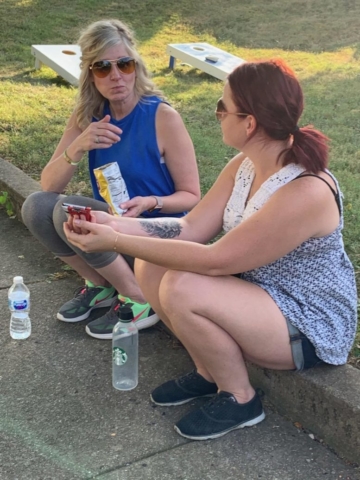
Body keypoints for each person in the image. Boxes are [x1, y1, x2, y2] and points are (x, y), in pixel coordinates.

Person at [64, 59, 357, 440]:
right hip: (257, 296)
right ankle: (209, 372)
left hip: (307, 322)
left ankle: (240, 398)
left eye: (222, 107)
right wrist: (111, 224)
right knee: (150, 267)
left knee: (182, 286)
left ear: (249, 123)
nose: (217, 113)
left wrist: (116, 242)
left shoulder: (306, 191)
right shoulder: (246, 164)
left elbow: (217, 261)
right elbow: (189, 227)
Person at [21, 19, 200, 340]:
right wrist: (77, 146)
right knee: (37, 206)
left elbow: (191, 196)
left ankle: (139, 299)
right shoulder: (87, 116)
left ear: (137, 67)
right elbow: (49, 186)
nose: (116, 75)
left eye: (124, 64)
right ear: (90, 74)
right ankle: (102, 285)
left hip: (159, 237)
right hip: (114, 235)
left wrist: (152, 201)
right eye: (102, 67)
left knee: (69, 211)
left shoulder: (161, 117)